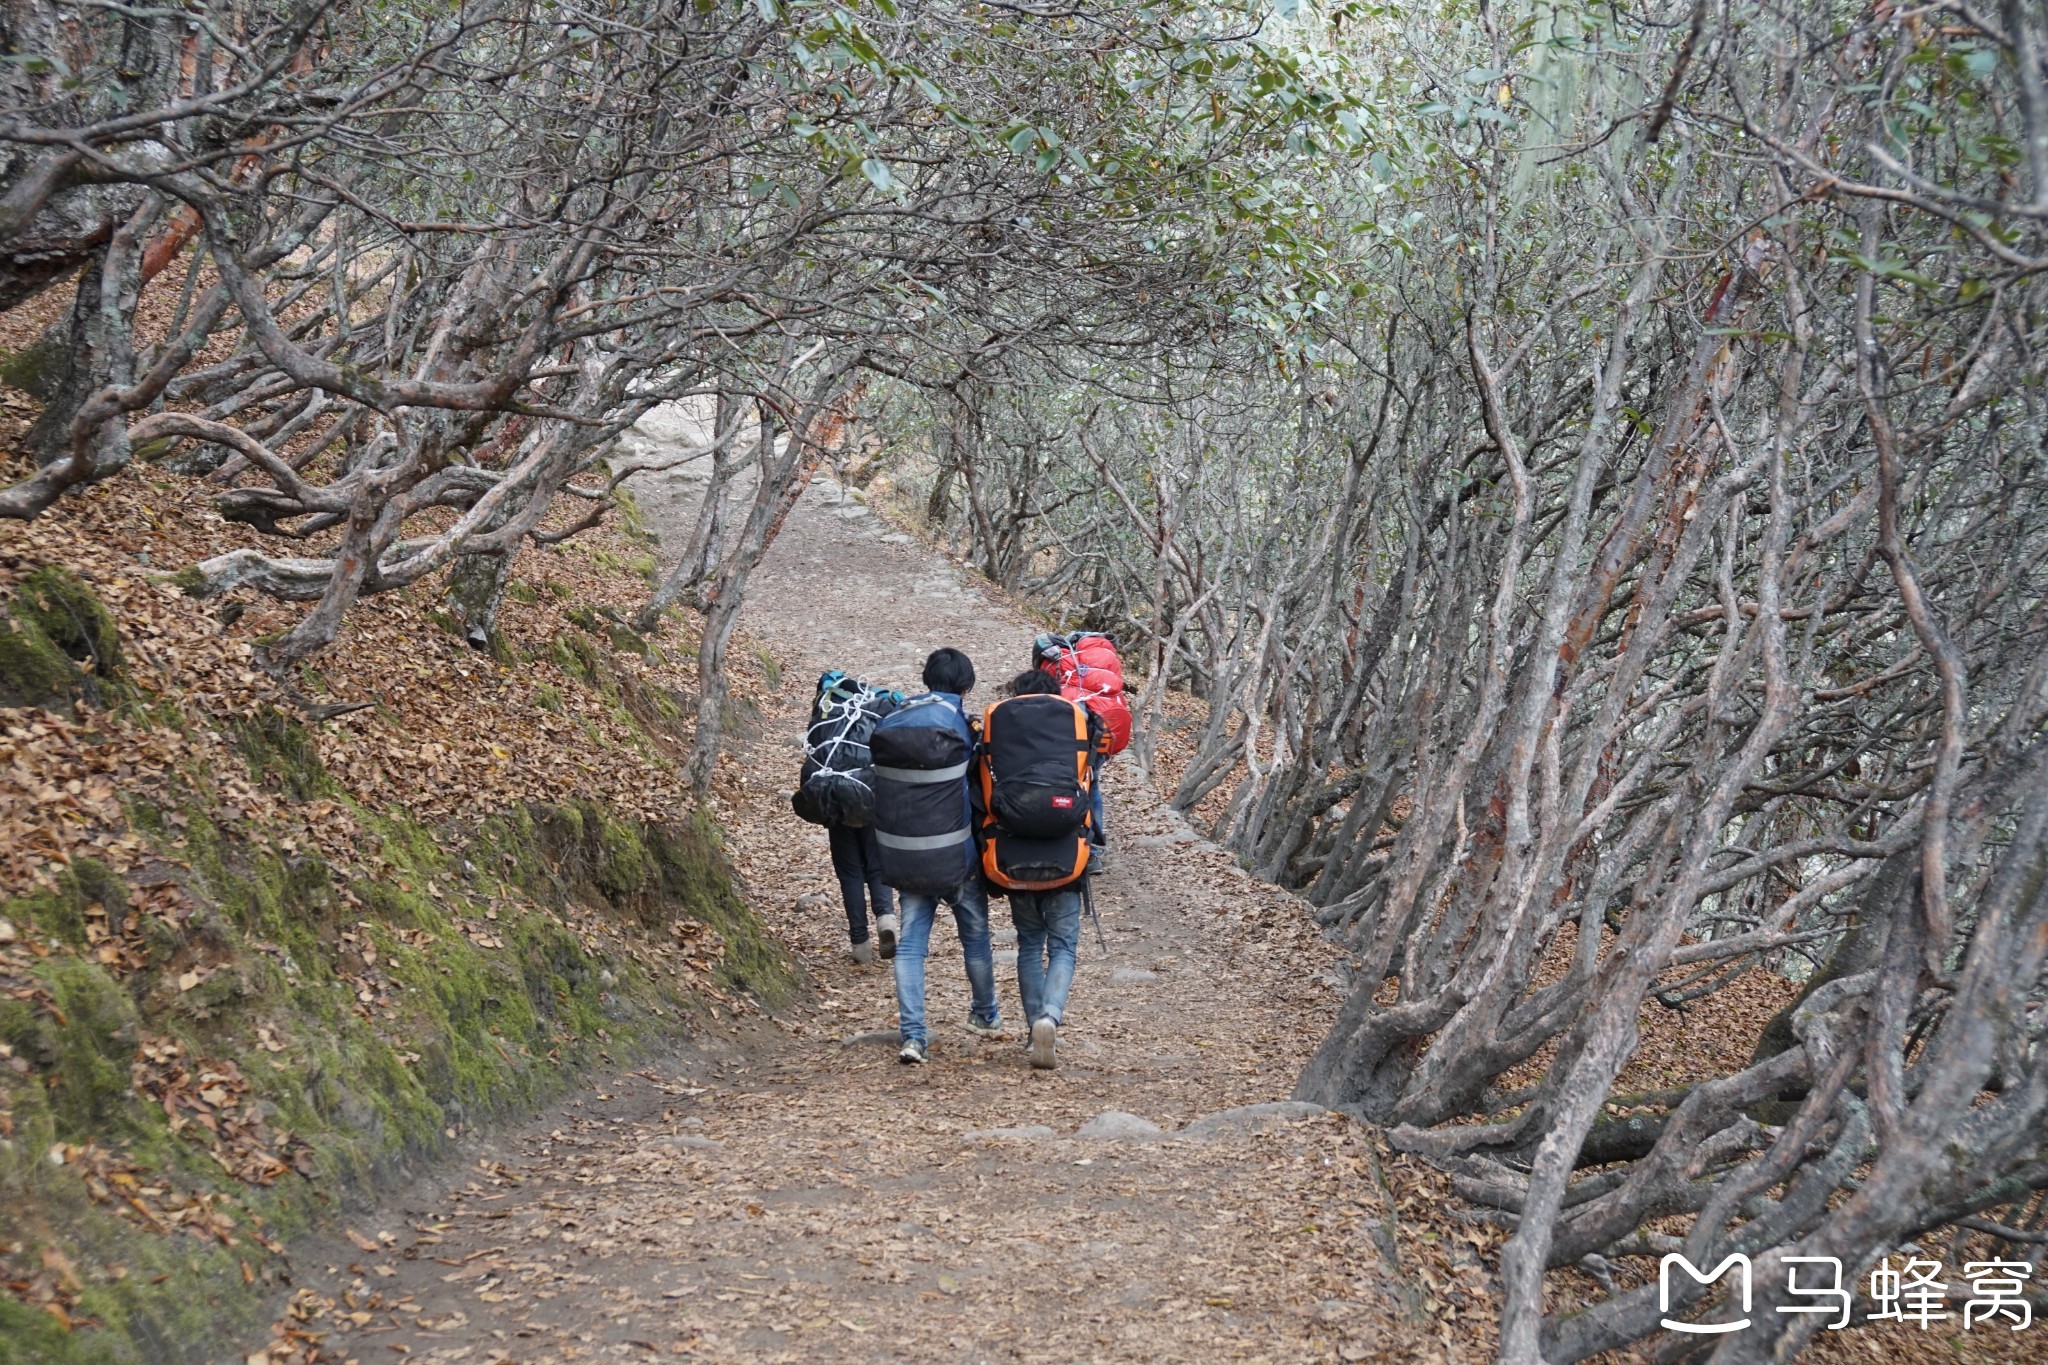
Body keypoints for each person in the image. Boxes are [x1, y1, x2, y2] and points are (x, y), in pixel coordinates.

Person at [879, 647, 1001, 1064]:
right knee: (976, 938)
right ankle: (985, 1013)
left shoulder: (893, 718)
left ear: (927, 679)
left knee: (911, 946)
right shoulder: (964, 726)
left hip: (904, 855)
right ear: (966, 687)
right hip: (956, 856)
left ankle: (913, 1036)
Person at [995, 668, 1096, 1070]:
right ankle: (1050, 1017)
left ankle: (1031, 1029)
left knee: (1029, 944)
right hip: (1066, 854)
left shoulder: (1002, 729)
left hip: (1013, 852)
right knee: (1063, 947)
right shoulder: (1075, 726)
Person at [828, 822, 893, 963]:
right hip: (874, 808)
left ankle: (860, 944)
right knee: (878, 867)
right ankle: (886, 920)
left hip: (840, 812)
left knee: (850, 876)